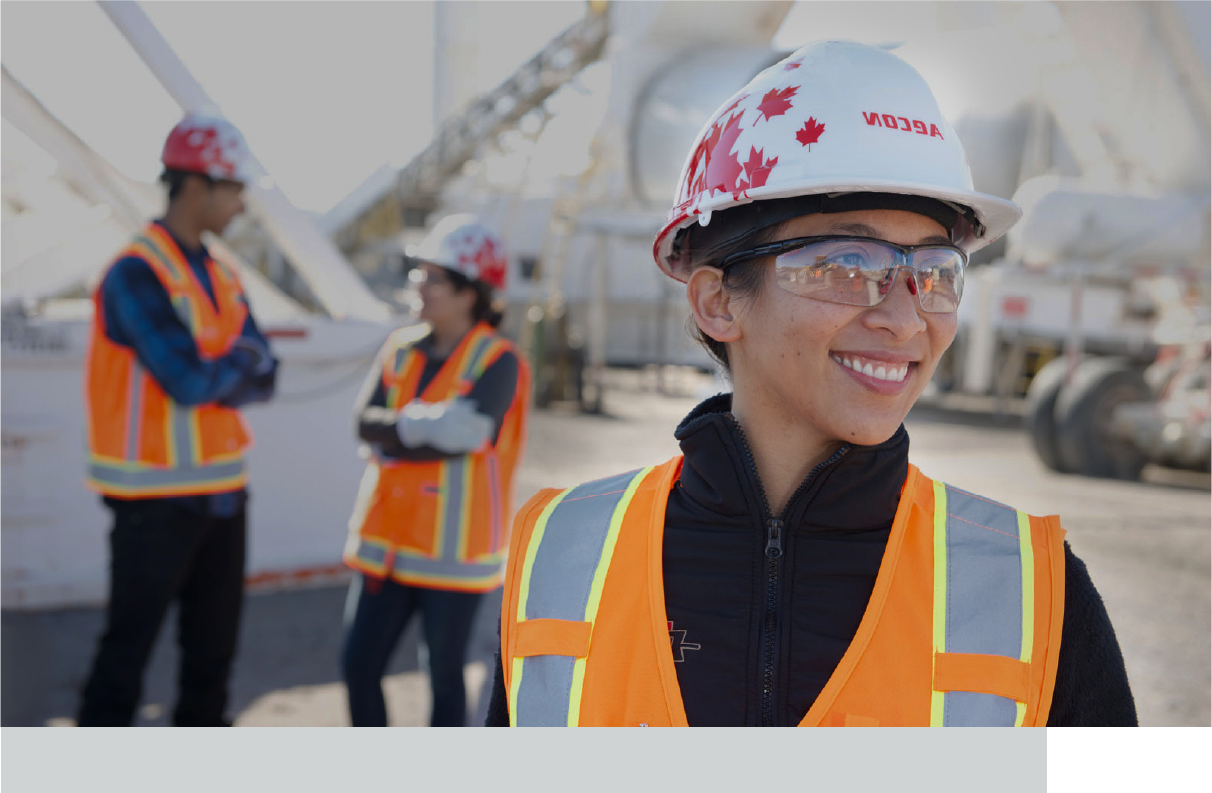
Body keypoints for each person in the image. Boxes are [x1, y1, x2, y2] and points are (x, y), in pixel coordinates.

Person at [486, 41, 1137, 727]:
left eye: (935, 270)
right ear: (718, 301)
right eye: (850, 263)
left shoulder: (1032, 592)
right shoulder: (561, 556)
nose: (905, 316)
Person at [78, 113, 277, 726]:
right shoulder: (134, 273)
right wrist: (234, 363)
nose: (242, 203)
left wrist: (230, 365)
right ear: (196, 186)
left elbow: (268, 374)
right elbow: (190, 381)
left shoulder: (222, 274)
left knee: (211, 667)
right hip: (153, 502)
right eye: (235, 187)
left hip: (222, 494)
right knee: (124, 662)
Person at [342, 215, 531, 727]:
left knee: (444, 677)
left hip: (453, 552)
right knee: (358, 666)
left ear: (470, 293)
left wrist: (398, 433)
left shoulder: (499, 359)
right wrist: (429, 424)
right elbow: (364, 423)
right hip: (385, 542)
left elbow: (468, 436)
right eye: (419, 274)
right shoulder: (400, 347)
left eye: (434, 278)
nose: (419, 286)